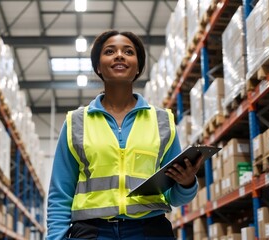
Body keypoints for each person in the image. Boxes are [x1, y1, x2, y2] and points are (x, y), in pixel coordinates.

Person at [46, 30, 203, 239]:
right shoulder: (76, 122)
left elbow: (173, 197)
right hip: (92, 232)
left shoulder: (162, 121)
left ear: (138, 66)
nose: (119, 55)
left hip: (149, 230)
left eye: (128, 52)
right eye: (110, 51)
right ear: (98, 67)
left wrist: (186, 183)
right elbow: (60, 193)